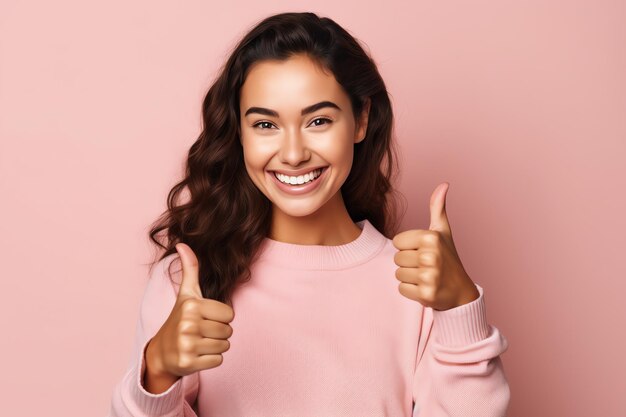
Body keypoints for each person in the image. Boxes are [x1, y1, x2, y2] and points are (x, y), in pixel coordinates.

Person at [108, 11, 510, 417]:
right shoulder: (188, 282)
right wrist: (158, 371)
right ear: (239, 133)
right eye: (266, 124)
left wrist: (461, 310)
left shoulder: (415, 288)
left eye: (318, 120)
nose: (294, 153)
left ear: (361, 120)